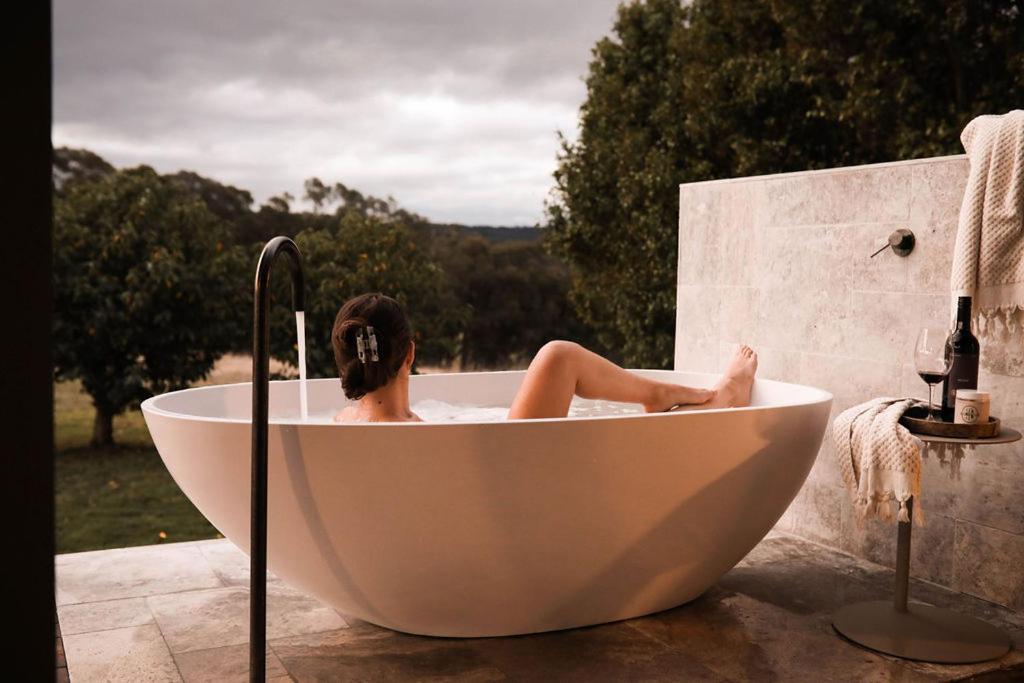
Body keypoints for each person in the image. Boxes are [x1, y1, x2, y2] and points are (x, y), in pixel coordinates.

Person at [332, 292, 757, 423]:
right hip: (508, 487)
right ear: (410, 353)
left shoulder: (339, 424)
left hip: (478, 488)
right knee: (558, 356)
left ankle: (664, 397)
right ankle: (691, 399)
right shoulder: (411, 433)